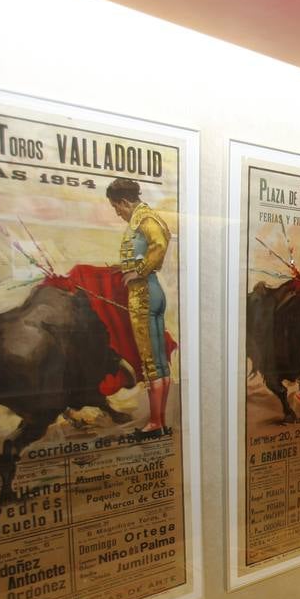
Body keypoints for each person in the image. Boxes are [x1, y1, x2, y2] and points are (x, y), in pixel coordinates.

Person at [106, 178, 173, 434]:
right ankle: (160, 420)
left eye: (116, 207)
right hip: (152, 291)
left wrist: (139, 271)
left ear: (124, 202)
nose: (118, 213)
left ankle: (156, 422)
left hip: (143, 294)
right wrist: (126, 269)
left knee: (151, 362)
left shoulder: (142, 219)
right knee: (159, 362)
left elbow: (160, 244)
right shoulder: (148, 217)